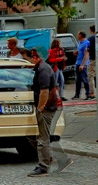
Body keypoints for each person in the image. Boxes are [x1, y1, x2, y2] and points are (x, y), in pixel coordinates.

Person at [24, 47, 68, 176]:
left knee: (43, 137)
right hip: (49, 106)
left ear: (35, 57)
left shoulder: (43, 70)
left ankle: (43, 166)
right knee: (37, 136)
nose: (26, 62)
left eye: (27, 59)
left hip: (47, 107)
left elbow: (44, 91)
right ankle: (58, 159)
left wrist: (40, 108)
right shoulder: (41, 68)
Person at [73, 32, 94, 100]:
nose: (77, 36)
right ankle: (77, 94)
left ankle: (88, 94)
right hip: (78, 62)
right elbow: (80, 51)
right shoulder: (80, 43)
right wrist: (77, 52)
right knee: (77, 80)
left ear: (81, 35)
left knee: (85, 79)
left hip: (83, 64)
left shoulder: (86, 43)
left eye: (78, 34)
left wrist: (82, 65)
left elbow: (86, 54)